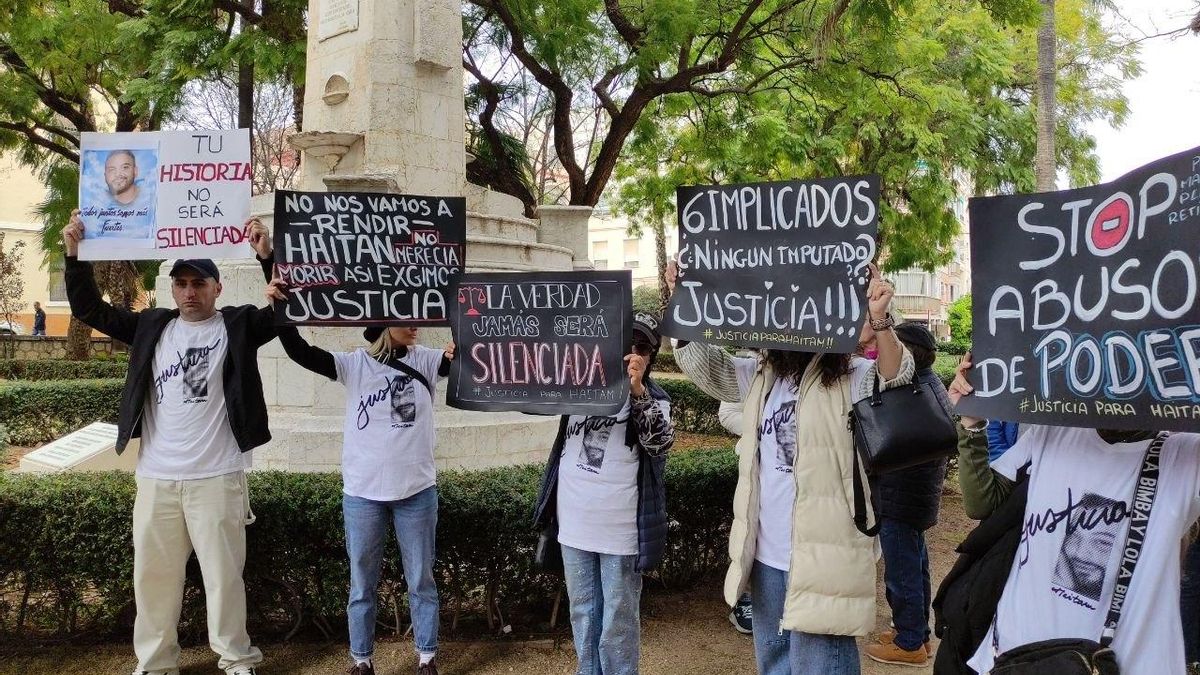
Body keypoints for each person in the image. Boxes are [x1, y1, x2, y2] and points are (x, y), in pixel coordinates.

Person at [667, 262, 913, 675]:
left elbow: (896, 377)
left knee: (823, 666)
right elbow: (710, 369)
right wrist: (684, 300)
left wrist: (879, 320)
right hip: (767, 554)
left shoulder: (853, 377)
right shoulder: (763, 376)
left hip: (824, 555)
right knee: (775, 666)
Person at [62, 210, 276, 675]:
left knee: (224, 578)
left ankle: (236, 658)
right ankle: (156, 662)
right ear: (172, 289)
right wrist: (74, 256)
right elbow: (90, 310)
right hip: (157, 477)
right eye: (181, 283)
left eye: (199, 283)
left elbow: (289, 309)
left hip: (217, 476)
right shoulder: (151, 326)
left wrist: (268, 257)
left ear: (217, 288)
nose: (189, 291)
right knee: (153, 578)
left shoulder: (238, 326)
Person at [947, 355, 1200, 675]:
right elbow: (983, 503)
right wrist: (971, 422)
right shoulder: (1054, 430)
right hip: (1014, 654)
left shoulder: (1183, 454)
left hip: (1113, 663)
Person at [266, 275, 451, 675]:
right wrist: (277, 293)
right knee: (362, 584)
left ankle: (427, 657)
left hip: (417, 491)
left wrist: (467, 340)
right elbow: (299, 351)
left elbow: (470, 359)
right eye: (405, 317)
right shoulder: (354, 365)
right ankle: (362, 660)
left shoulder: (427, 359)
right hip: (363, 494)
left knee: (421, 581)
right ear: (383, 323)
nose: (416, 323)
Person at [532, 313, 675, 675]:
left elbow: (660, 443)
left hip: (619, 530)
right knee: (582, 613)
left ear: (651, 357)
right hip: (574, 522)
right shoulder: (576, 381)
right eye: (626, 342)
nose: (633, 352)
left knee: (618, 621)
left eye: (643, 347)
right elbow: (526, 386)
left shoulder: (655, 398)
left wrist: (637, 391)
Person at [864, 323, 949, 667]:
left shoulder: (911, 390)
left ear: (907, 353)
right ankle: (917, 634)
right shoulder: (928, 384)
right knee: (915, 565)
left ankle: (909, 642)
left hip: (902, 494)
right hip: (916, 494)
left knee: (902, 572)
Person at [718, 398, 754, 635]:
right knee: (749, 533)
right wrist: (764, 427)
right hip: (757, 460)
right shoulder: (751, 372)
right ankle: (745, 599)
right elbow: (728, 413)